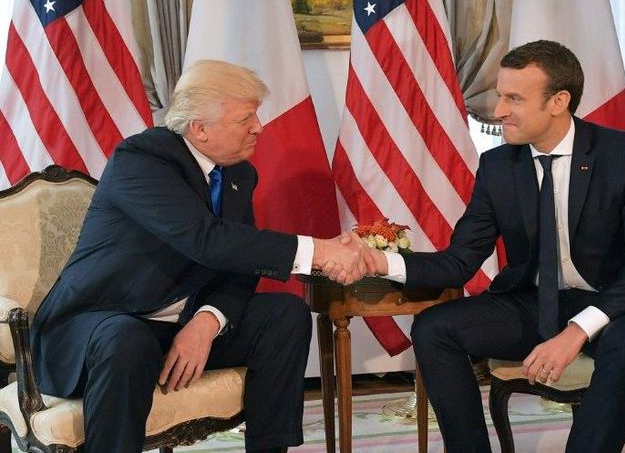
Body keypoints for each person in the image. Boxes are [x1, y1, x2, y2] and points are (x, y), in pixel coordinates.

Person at [366, 40, 625, 452]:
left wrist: (577, 330)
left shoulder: (623, 155)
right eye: (500, 95)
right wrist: (379, 262)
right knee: (435, 328)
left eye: (514, 98)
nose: (499, 110)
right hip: (538, 300)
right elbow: (458, 262)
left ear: (558, 101)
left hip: (622, 304)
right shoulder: (499, 166)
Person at [29, 60, 373, 453]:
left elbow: (238, 265)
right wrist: (316, 250)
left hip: (173, 326)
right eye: (246, 117)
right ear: (200, 129)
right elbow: (206, 240)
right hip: (97, 323)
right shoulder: (141, 161)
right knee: (127, 339)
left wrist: (207, 322)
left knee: (284, 315)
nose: (259, 126)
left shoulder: (238, 174)